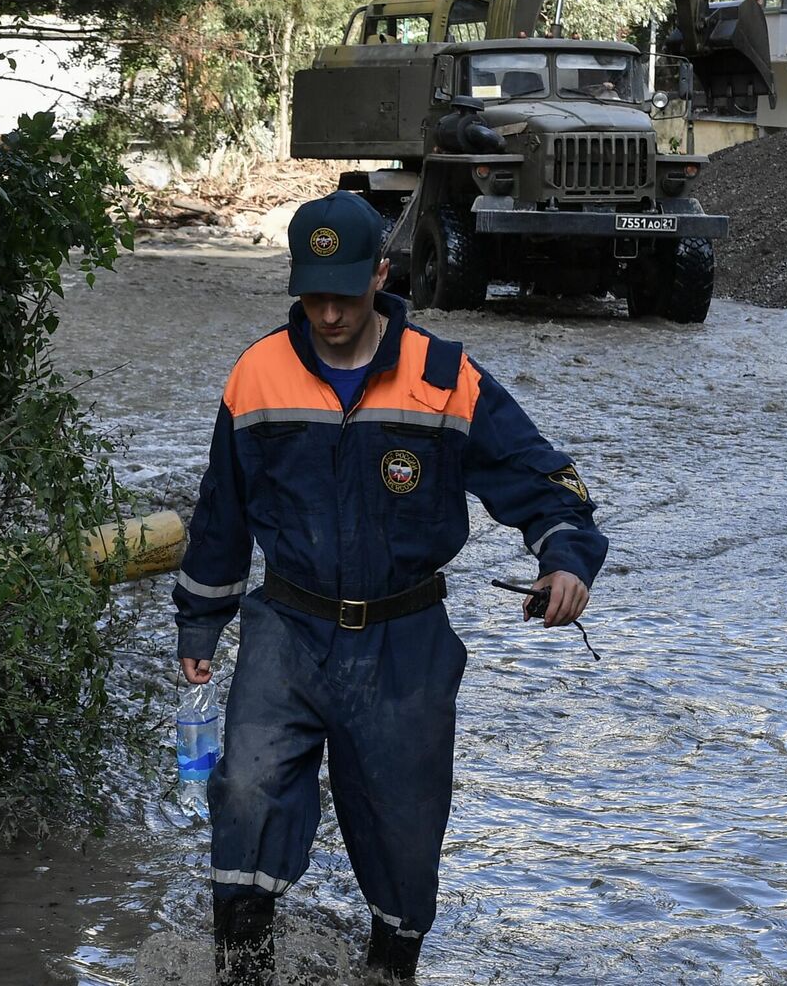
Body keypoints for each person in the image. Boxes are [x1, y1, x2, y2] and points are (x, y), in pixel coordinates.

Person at [173, 192, 607, 984]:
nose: (329, 312)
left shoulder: (445, 378)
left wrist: (567, 560)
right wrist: (200, 626)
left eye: (346, 291)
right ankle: (242, 973)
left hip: (404, 643)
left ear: (381, 272)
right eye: (313, 294)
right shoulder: (257, 372)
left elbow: (543, 480)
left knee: (406, 841)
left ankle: (389, 970)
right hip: (288, 630)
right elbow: (221, 514)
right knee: (244, 792)